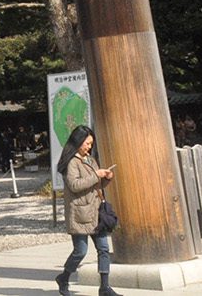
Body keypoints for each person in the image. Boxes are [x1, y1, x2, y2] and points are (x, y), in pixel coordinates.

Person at [56, 125, 119, 296]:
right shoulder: (71, 163)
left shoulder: (90, 160)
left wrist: (105, 179)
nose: (89, 147)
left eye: (91, 144)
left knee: (103, 249)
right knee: (80, 251)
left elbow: (94, 185)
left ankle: (104, 287)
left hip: (96, 211)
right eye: (87, 143)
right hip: (79, 214)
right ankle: (64, 277)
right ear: (78, 141)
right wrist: (96, 175)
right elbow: (75, 185)